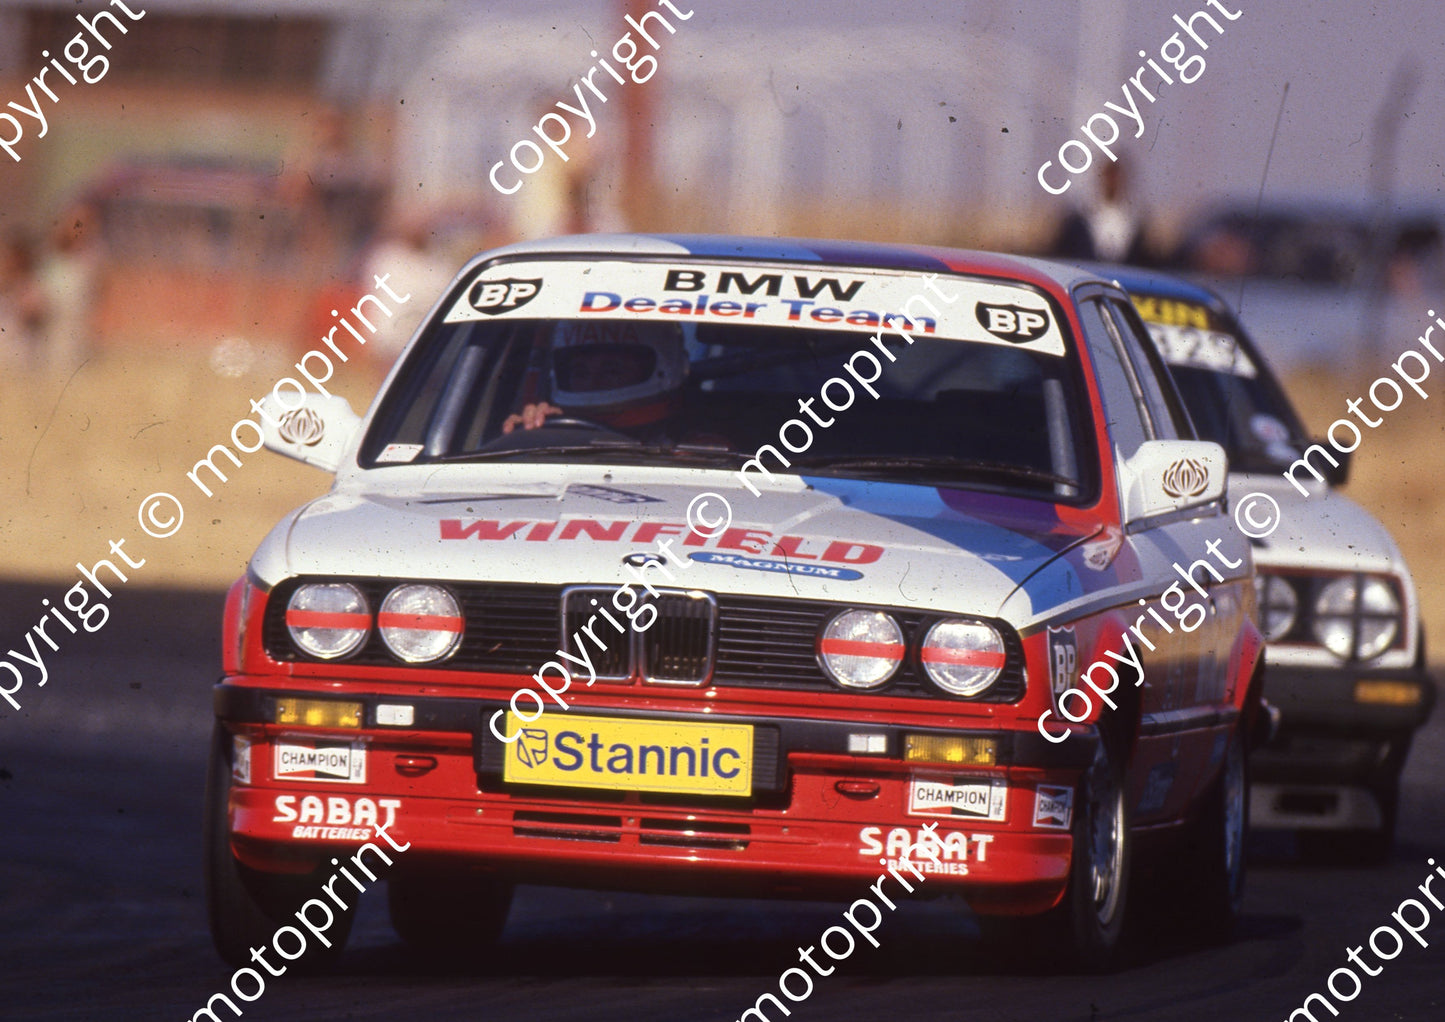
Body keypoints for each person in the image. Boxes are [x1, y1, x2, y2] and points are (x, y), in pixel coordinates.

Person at [502, 322, 689, 435]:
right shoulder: (553, 429)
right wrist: (531, 433)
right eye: (580, 373)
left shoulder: (695, 448)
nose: (594, 383)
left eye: (612, 371)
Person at [1049, 158, 1153, 265]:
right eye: (1109, 177)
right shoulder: (1081, 217)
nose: (1113, 182)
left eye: (1117, 177)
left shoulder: (1134, 220)